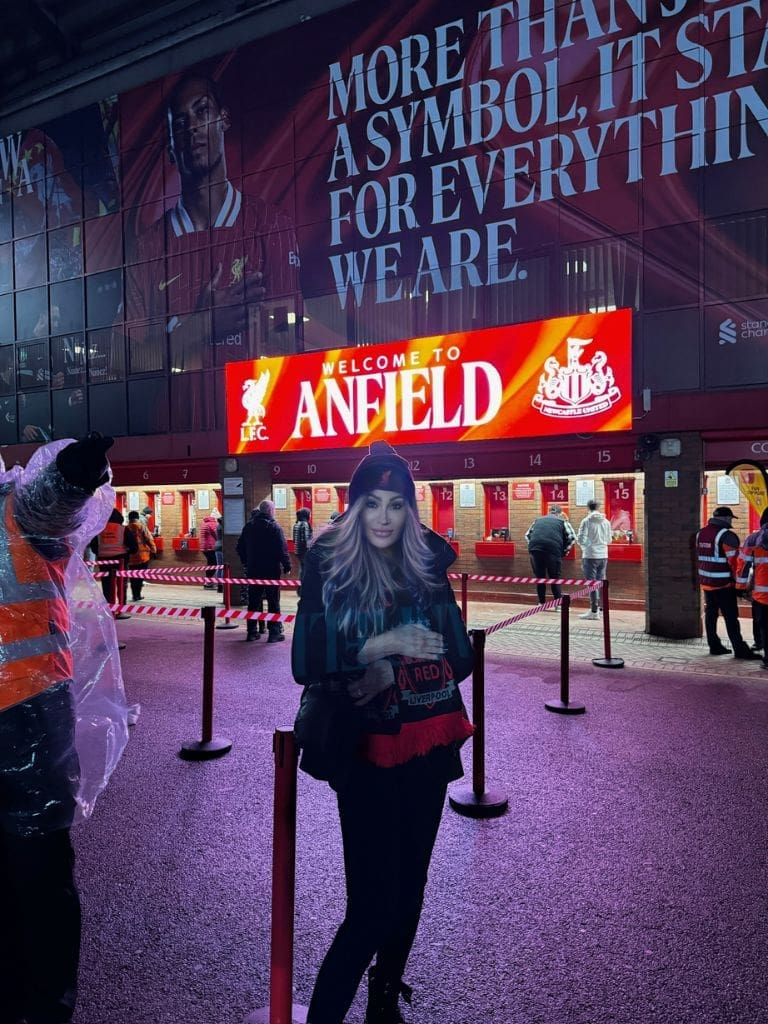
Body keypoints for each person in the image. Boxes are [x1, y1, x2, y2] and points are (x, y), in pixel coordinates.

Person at [292, 441, 475, 1024]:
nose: (384, 518)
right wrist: (382, 643)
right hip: (366, 752)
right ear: (354, 506)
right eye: (372, 503)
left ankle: (385, 994)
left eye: (397, 505)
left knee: (411, 888)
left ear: (410, 509)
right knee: (371, 905)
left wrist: (392, 666)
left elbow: (462, 656)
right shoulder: (330, 563)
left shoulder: (427, 562)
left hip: (429, 742)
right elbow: (304, 658)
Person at [0, 433, 128, 1024]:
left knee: (40, 870)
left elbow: (51, 502)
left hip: (27, 718)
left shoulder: (18, 508)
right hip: (25, 714)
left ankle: (47, 1007)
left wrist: (76, 474)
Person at [125, 72, 301, 363]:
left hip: (250, 406)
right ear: (170, 148)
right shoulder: (147, 248)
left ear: (224, 119)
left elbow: (288, 344)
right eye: (180, 124)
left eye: (202, 111)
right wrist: (202, 325)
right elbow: (126, 362)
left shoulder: (271, 225)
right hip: (174, 409)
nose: (192, 127)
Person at [695, 506, 758, 659]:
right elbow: (736, 563)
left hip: (707, 583)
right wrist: (739, 585)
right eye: (730, 518)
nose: (731, 521)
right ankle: (740, 649)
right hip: (724, 584)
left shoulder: (700, 533)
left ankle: (714, 645)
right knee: (731, 617)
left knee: (711, 614)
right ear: (723, 518)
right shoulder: (727, 536)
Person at [236, 499, 290, 643]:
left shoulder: (249, 527)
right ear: (271, 511)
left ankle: (252, 632)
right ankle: (274, 632)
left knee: (253, 601)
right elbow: (281, 549)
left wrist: (246, 561)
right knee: (273, 601)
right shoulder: (274, 527)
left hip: (254, 569)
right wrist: (287, 565)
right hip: (271, 570)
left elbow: (239, 547)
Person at [524, 504, 576, 607]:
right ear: (560, 513)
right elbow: (572, 537)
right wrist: (565, 550)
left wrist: (533, 546)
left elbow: (527, 535)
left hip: (535, 550)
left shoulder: (538, 520)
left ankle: (541, 603)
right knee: (554, 577)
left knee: (540, 577)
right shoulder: (562, 521)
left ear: (549, 512)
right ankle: (558, 604)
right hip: (553, 550)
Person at [736, 508, 768, 670]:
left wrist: (740, 587)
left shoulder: (754, 539)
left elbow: (743, 565)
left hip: (761, 594)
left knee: (764, 625)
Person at [576, 499, 613, 619]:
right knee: (601, 582)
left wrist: (588, 546)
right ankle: (602, 608)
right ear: (598, 507)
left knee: (591, 584)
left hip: (590, 556)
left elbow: (581, 538)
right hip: (603, 555)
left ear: (588, 507)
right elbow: (609, 540)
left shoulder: (586, 521)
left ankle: (593, 611)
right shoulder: (606, 522)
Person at [94, 506, 138, 603]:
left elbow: (94, 546)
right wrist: (127, 552)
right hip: (120, 560)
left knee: (107, 585)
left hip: (104, 560)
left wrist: (101, 552)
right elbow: (134, 547)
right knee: (121, 584)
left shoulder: (99, 530)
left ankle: (110, 608)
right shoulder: (123, 529)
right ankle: (121, 608)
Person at [124, 510, 157, 601]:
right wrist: (154, 550)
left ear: (129, 518)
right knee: (140, 576)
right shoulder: (142, 527)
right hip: (143, 556)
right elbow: (149, 539)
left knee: (133, 577)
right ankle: (138, 594)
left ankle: (134, 594)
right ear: (137, 518)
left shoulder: (125, 528)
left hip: (131, 557)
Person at [200, 508, 222, 590]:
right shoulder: (213, 524)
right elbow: (217, 535)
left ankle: (208, 582)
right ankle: (209, 583)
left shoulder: (205, 523)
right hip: (210, 547)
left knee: (210, 564)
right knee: (213, 564)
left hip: (204, 547)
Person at [292, 507, 313, 577]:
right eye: (310, 514)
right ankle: (303, 585)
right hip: (304, 551)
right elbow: (306, 540)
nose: (310, 516)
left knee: (302, 567)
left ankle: (300, 584)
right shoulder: (305, 524)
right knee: (305, 569)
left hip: (298, 551)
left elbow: (294, 540)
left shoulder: (296, 524)